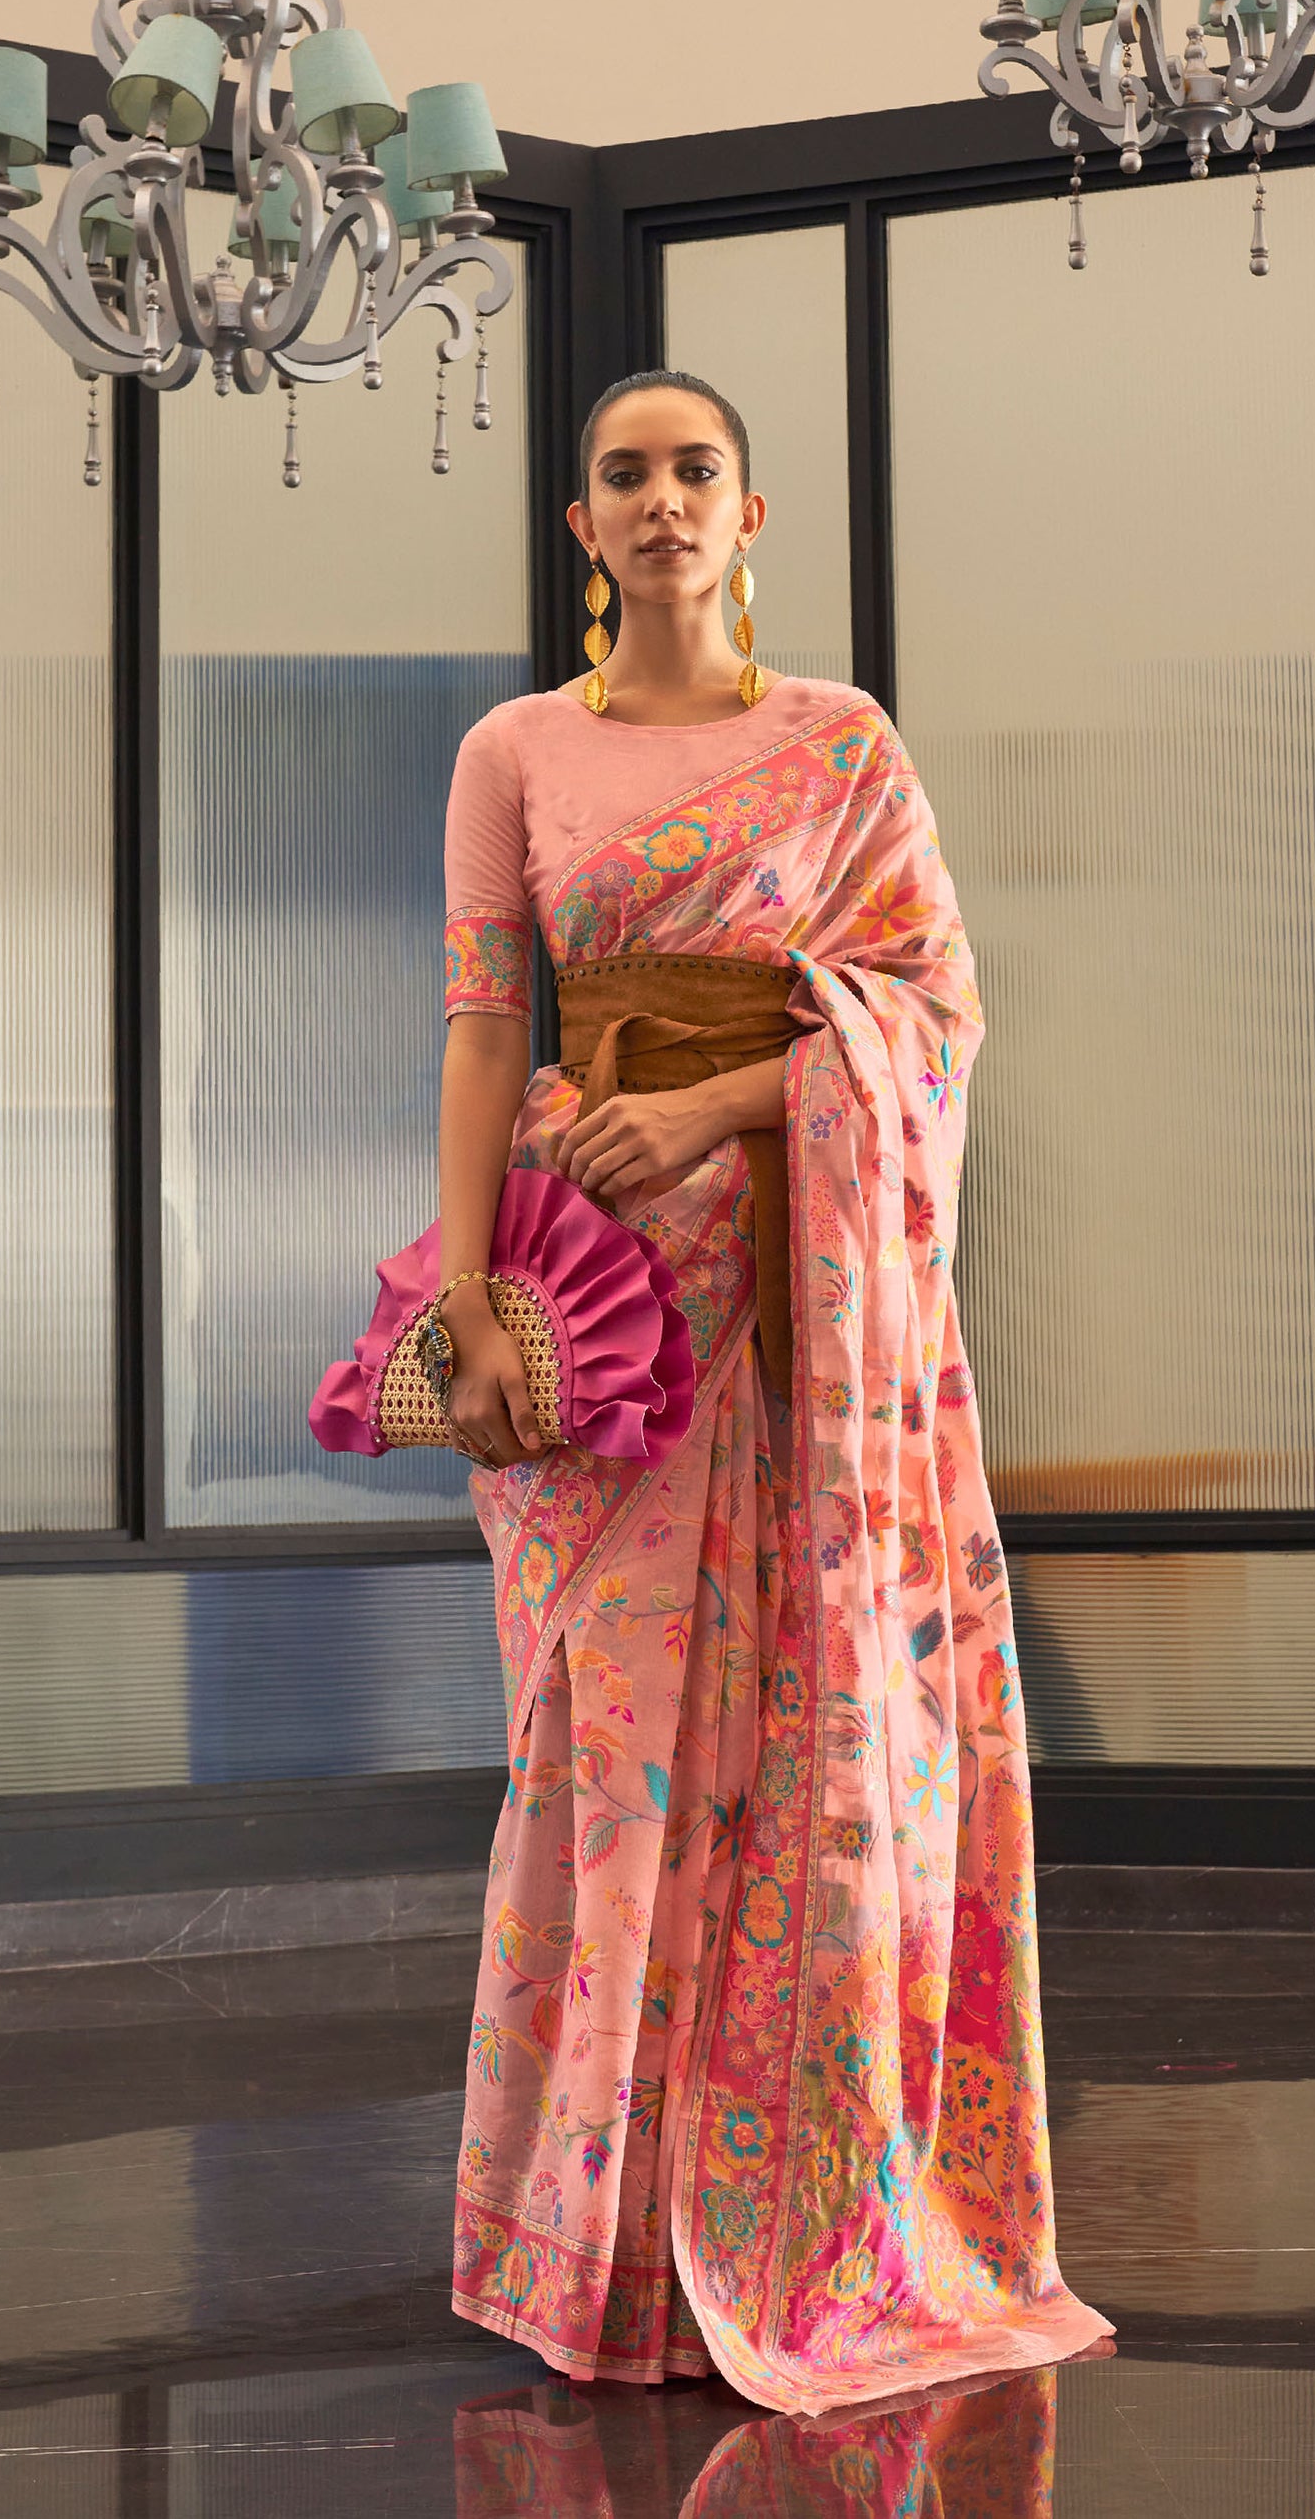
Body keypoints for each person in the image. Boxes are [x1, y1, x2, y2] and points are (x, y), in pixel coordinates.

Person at [439, 369, 1108, 2416]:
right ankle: (595, 2240)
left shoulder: (839, 743)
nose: (660, 500)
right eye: (622, 475)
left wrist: (717, 1107)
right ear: (581, 526)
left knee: (799, 1743)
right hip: (589, 1299)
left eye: (694, 470)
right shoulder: (513, 749)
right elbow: (483, 1026)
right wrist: (466, 1302)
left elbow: (932, 1012)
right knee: (606, 1750)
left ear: (751, 515)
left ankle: (793, 2205)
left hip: (790, 1290)